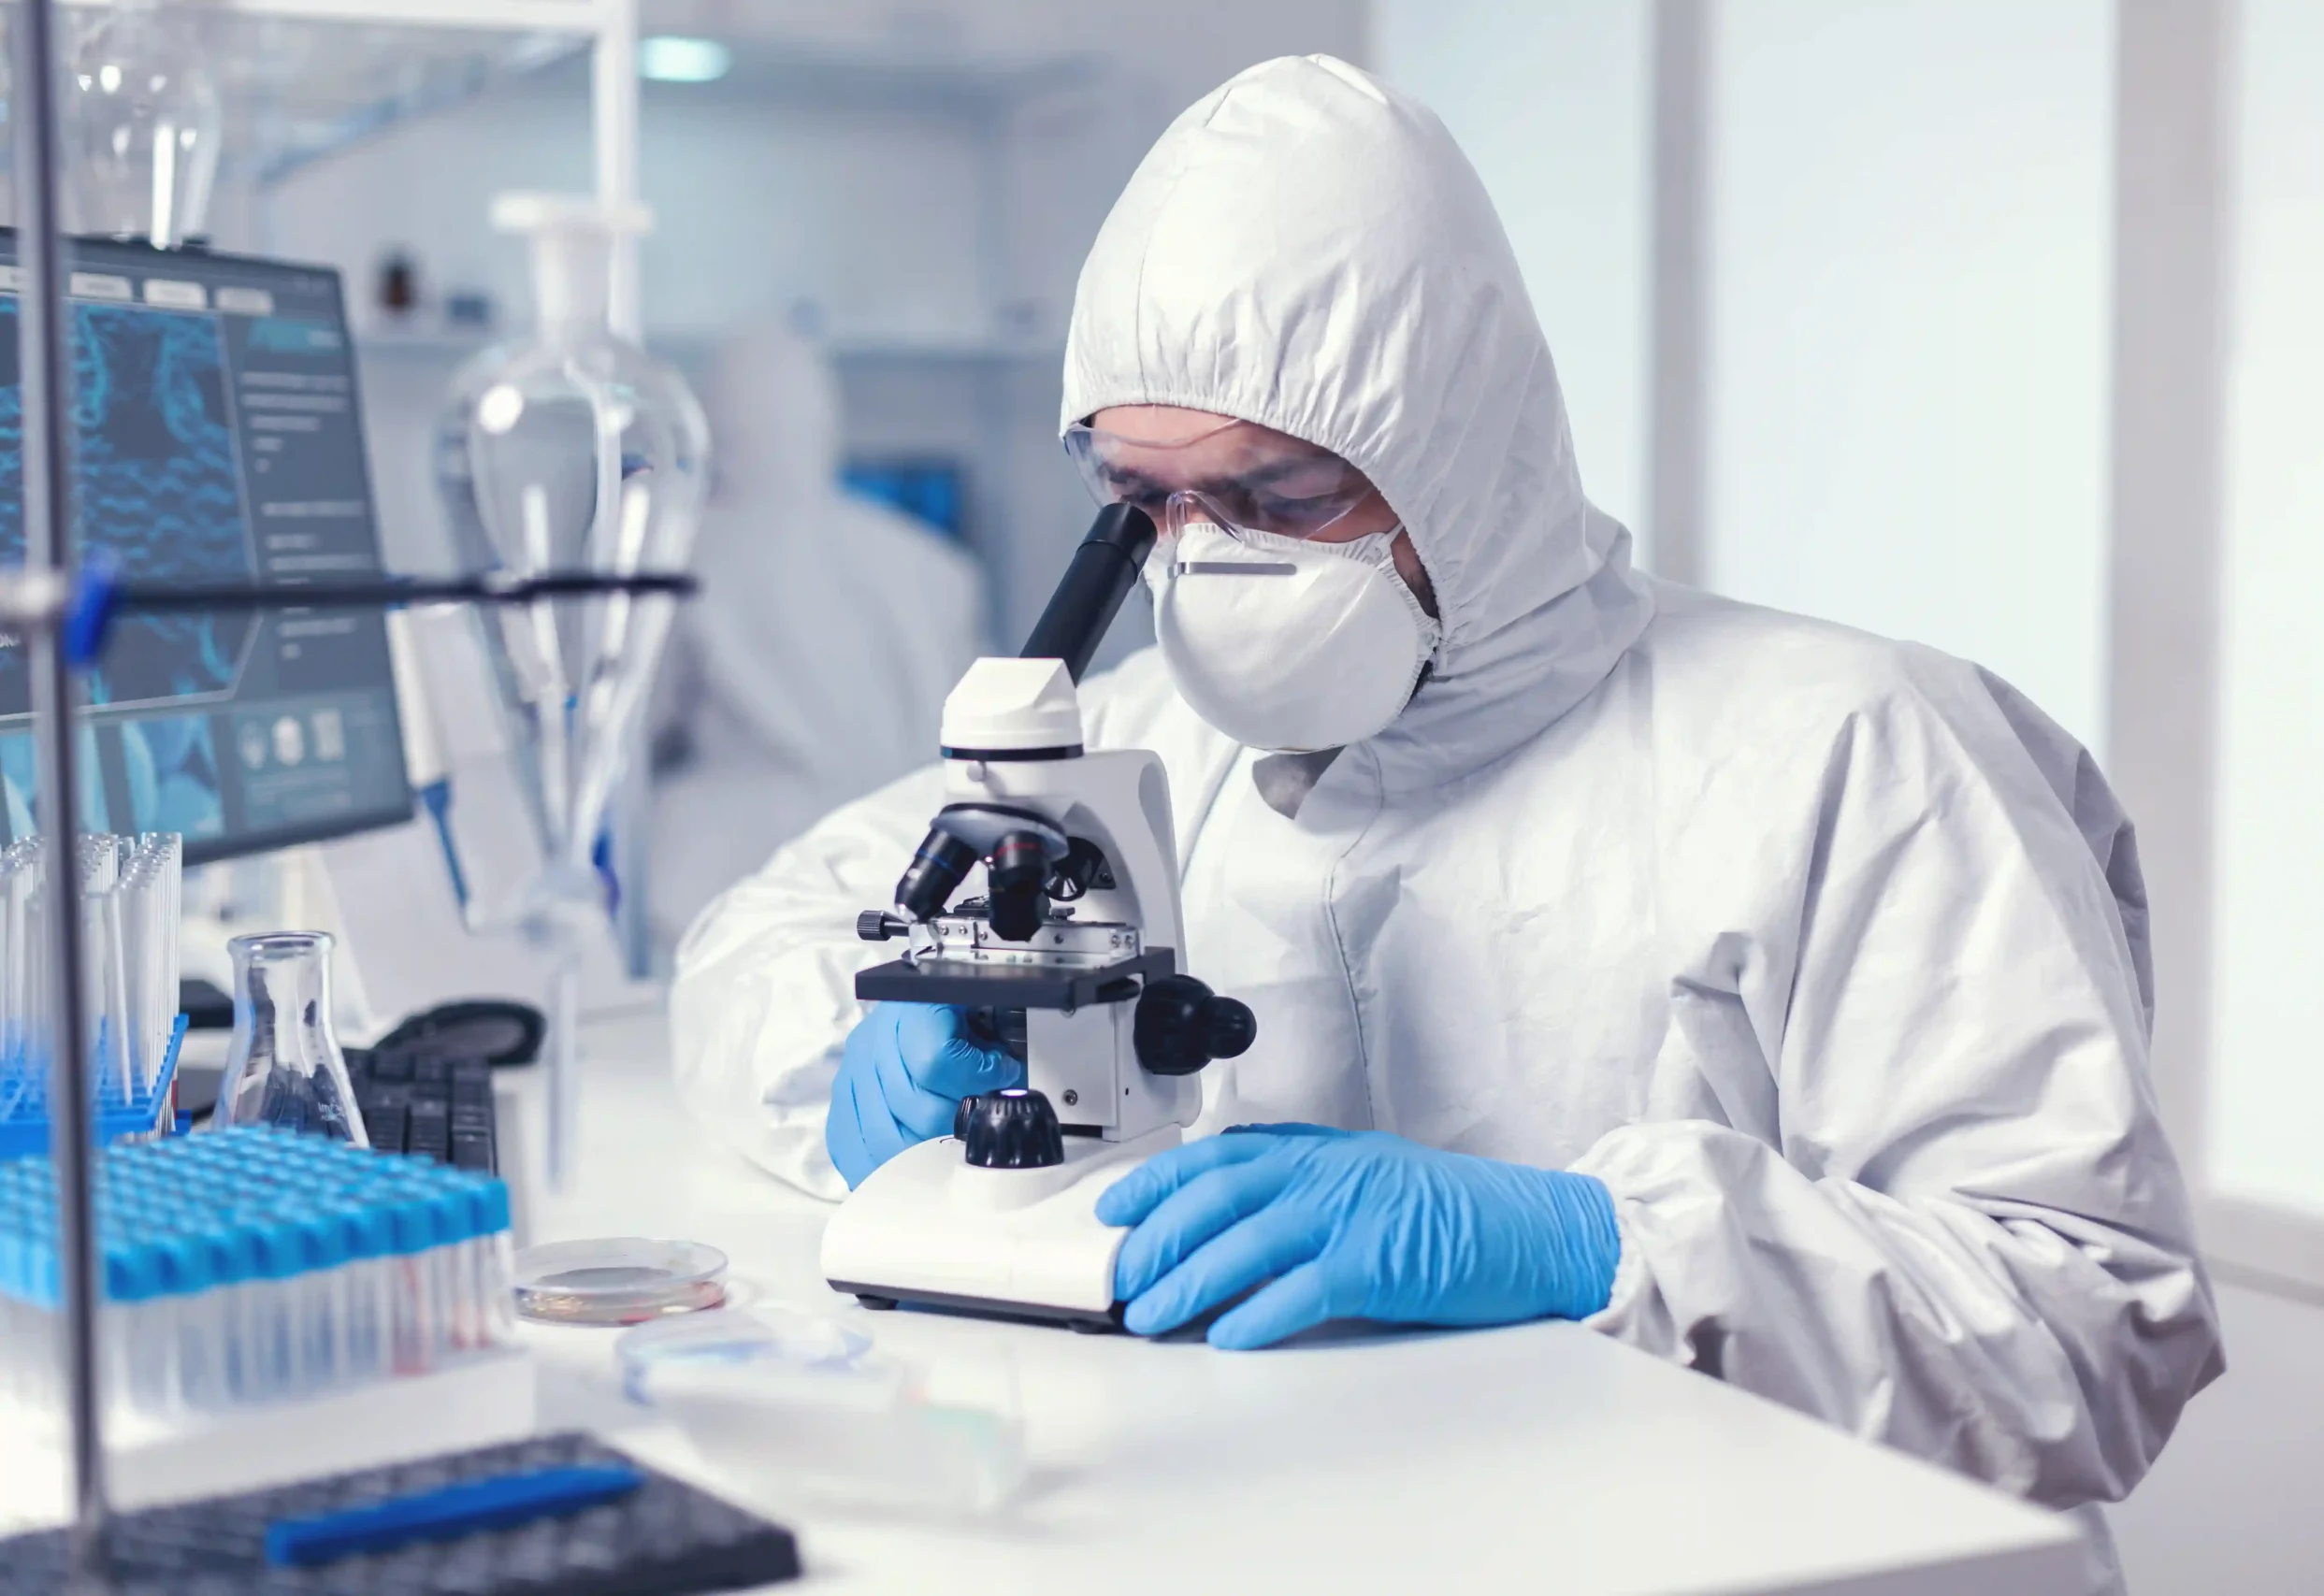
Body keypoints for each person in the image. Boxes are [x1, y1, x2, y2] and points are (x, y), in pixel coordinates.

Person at [671, 56, 2219, 1590]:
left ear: (1456, 463)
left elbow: (2090, 1321)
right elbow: (755, 937)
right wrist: (865, 1064)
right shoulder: (1146, 737)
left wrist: (1600, 1244)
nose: (1207, 562)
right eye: (1147, 498)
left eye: (1278, 497)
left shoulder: (1851, 747)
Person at [647, 316, 984, 947]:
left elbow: (639, 726)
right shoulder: (928, 560)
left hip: (725, 875)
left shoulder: (691, 555)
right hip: (905, 857)